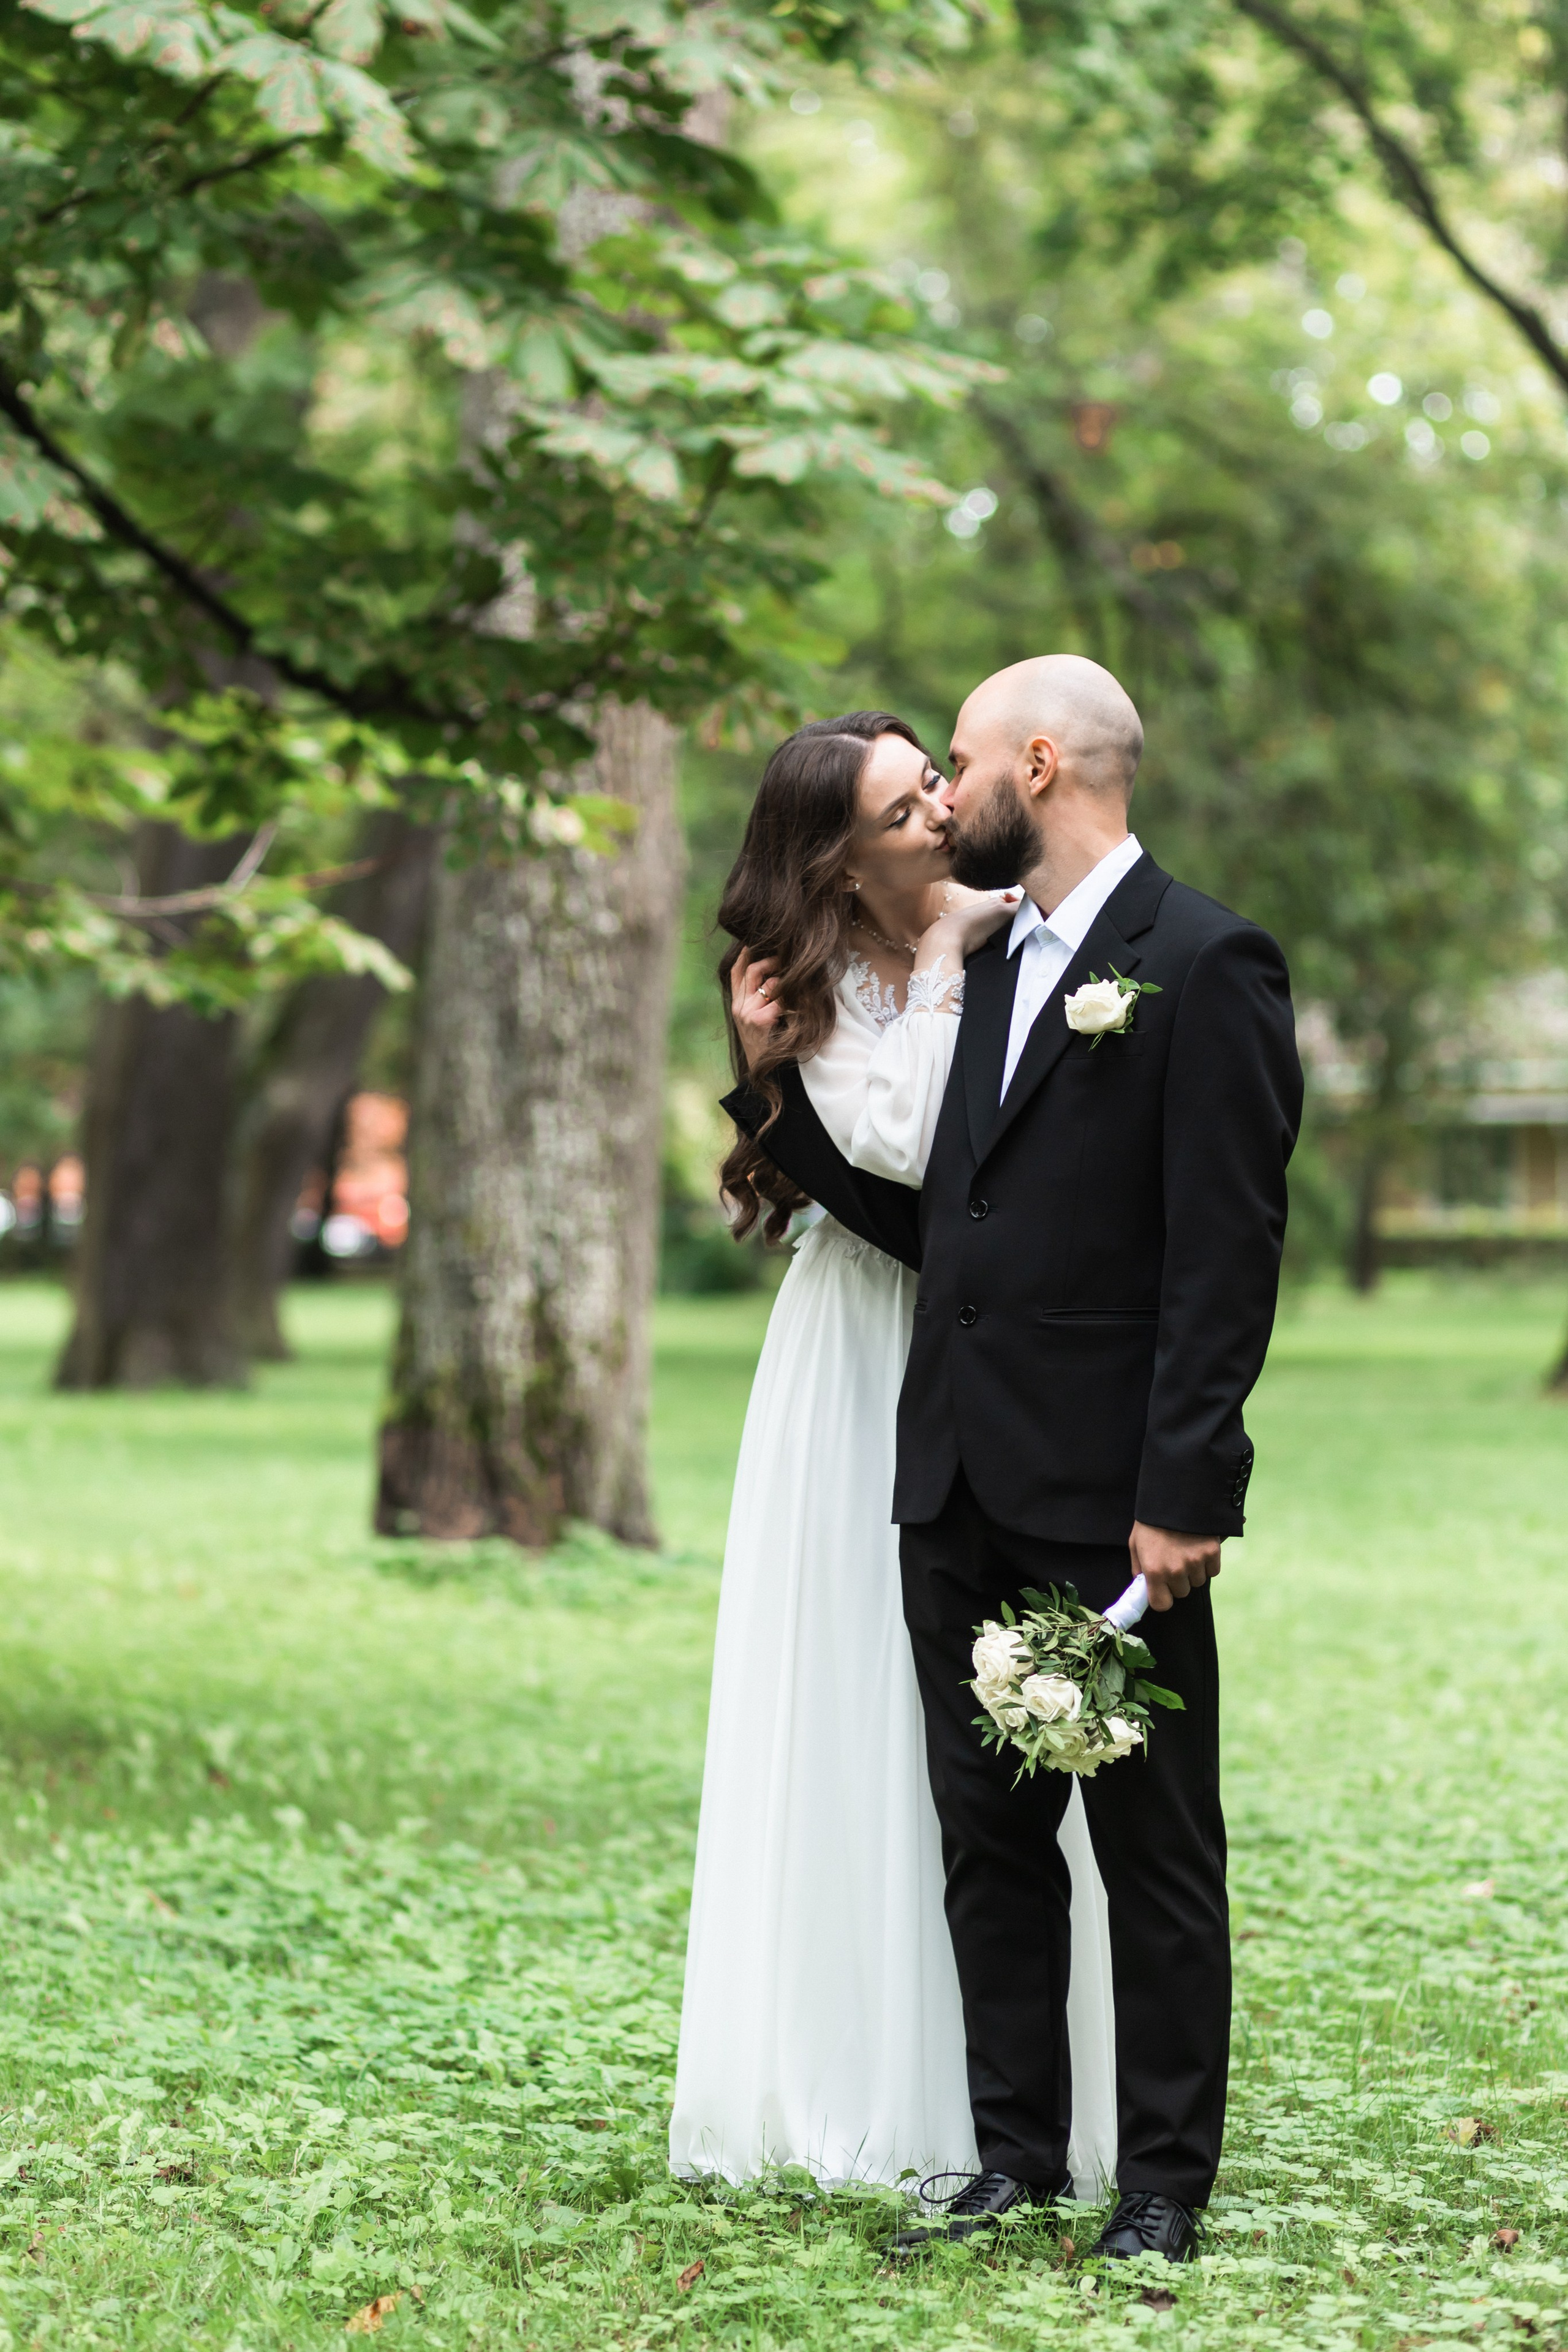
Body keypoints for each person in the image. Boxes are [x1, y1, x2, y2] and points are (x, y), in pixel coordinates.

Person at [722, 656, 1303, 2261]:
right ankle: (1017, 2160)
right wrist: (773, 1098)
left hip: (1110, 1497)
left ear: (1037, 768)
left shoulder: (1204, 961)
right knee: (988, 1845)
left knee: (1152, 1850)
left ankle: (1163, 2189)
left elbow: (1224, 1257)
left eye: (960, 764)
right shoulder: (979, 963)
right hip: (953, 1479)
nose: (945, 794)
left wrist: (1184, 1495)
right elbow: (935, 1222)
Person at [669, 711, 1119, 2198]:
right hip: (857, 1355)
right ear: (835, 860)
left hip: (1002, 1357)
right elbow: (907, 1169)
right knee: (852, 1685)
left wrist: (944, 957)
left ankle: (1024, 2105)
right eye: (899, 805)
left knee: (1002, 1717)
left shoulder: (1021, 932)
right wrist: (785, 1072)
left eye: (931, 777)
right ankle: (851, 2077)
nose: (938, 808)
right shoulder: (803, 989)